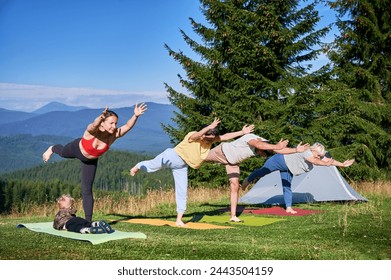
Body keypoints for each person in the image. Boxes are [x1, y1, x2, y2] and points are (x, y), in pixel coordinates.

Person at [130, 118, 254, 226]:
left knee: (182, 191)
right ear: (203, 134)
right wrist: (209, 127)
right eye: (207, 139)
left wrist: (242, 132)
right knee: (152, 166)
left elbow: (225, 136)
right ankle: (139, 165)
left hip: (182, 166)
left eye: (211, 140)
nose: (209, 142)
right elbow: (197, 135)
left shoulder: (210, 139)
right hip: (172, 156)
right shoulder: (194, 136)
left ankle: (179, 219)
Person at [43, 103, 147, 221]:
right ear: (103, 122)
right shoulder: (92, 132)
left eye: (116, 123)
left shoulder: (113, 135)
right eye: (111, 123)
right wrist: (100, 117)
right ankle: (51, 148)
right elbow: (93, 125)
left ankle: (88, 221)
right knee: (62, 152)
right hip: (76, 149)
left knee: (87, 189)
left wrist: (135, 115)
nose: (114, 126)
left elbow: (127, 126)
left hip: (90, 160)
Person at [205, 134, 310, 222]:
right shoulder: (251, 138)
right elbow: (259, 144)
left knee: (235, 186)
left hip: (232, 162)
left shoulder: (263, 146)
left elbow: (280, 151)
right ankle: (190, 156)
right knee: (200, 159)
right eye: (262, 153)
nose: (260, 155)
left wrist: (296, 149)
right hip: (222, 152)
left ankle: (233, 216)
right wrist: (277, 146)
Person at [241, 142, 355, 214]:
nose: (319, 157)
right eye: (318, 154)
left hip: (288, 168)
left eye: (321, 155)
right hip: (279, 160)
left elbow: (329, 160)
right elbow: (315, 161)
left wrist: (343, 164)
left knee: (287, 186)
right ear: (313, 150)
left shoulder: (318, 155)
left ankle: (289, 208)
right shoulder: (306, 152)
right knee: (262, 172)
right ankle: (248, 180)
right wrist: (326, 164)